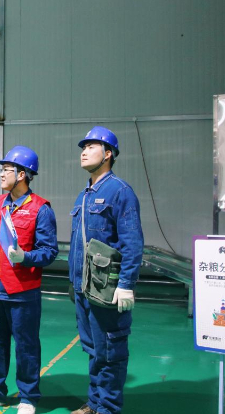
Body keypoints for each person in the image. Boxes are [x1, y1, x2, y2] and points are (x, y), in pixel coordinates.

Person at [0, 145, 59, 414]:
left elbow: (49, 251)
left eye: (7, 169)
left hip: (22, 291)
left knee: (26, 346)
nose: (1, 174)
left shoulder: (41, 209)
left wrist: (25, 257)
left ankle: (28, 397)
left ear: (22, 174)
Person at [68, 127, 144, 414]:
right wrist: (74, 284)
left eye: (91, 146)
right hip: (84, 289)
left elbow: (132, 242)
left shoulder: (120, 192)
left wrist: (126, 284)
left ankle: (108, 408)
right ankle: (95, 403)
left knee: (111, 351)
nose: (84, 152)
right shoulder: (84, 195)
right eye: (83, 147)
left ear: (108, 154)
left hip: (107, 290)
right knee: (93, 349)